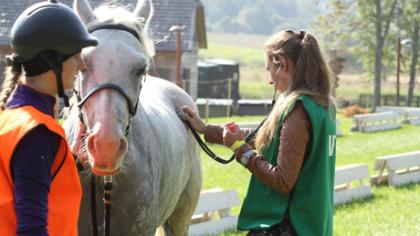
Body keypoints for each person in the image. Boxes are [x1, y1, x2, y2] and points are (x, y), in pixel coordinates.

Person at [179, 30, 336, 236]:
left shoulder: (298, 109)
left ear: (282, 63)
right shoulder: (323, 106)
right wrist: (205, 128)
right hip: (313, 224)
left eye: (269, 69)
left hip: (286, 225)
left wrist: (239, 150)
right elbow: (265, 137)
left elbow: (282, 180)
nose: (270, 81)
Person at [0, 1, 97, 235]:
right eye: (76, 56)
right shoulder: (37, 134)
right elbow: (32, 228)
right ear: (51, 61)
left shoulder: (11, 119)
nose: (82, 65)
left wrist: (68, 163)